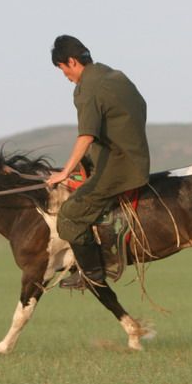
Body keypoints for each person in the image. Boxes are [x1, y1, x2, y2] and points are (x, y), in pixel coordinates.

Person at [46, 35, 150, 289]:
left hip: (119, 165)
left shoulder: (86, 89)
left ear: (71, 62)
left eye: (63, 71)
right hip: (136, 156)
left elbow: (86, 135)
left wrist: (65, 172)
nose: (67, 77)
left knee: (69, 216)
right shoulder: (116, 76)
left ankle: (93, 274)